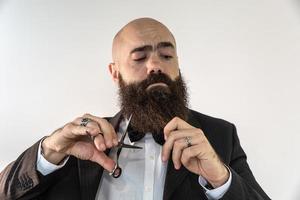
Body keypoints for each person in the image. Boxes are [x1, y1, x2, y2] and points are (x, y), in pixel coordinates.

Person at [0, 18, 270, 200]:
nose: (155, 66)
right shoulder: (82, 142)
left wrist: (221, 180)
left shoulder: (220, 135)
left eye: (166, 56)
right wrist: (49, 152)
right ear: (115, 73)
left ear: (178, 65)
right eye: (139, 57)